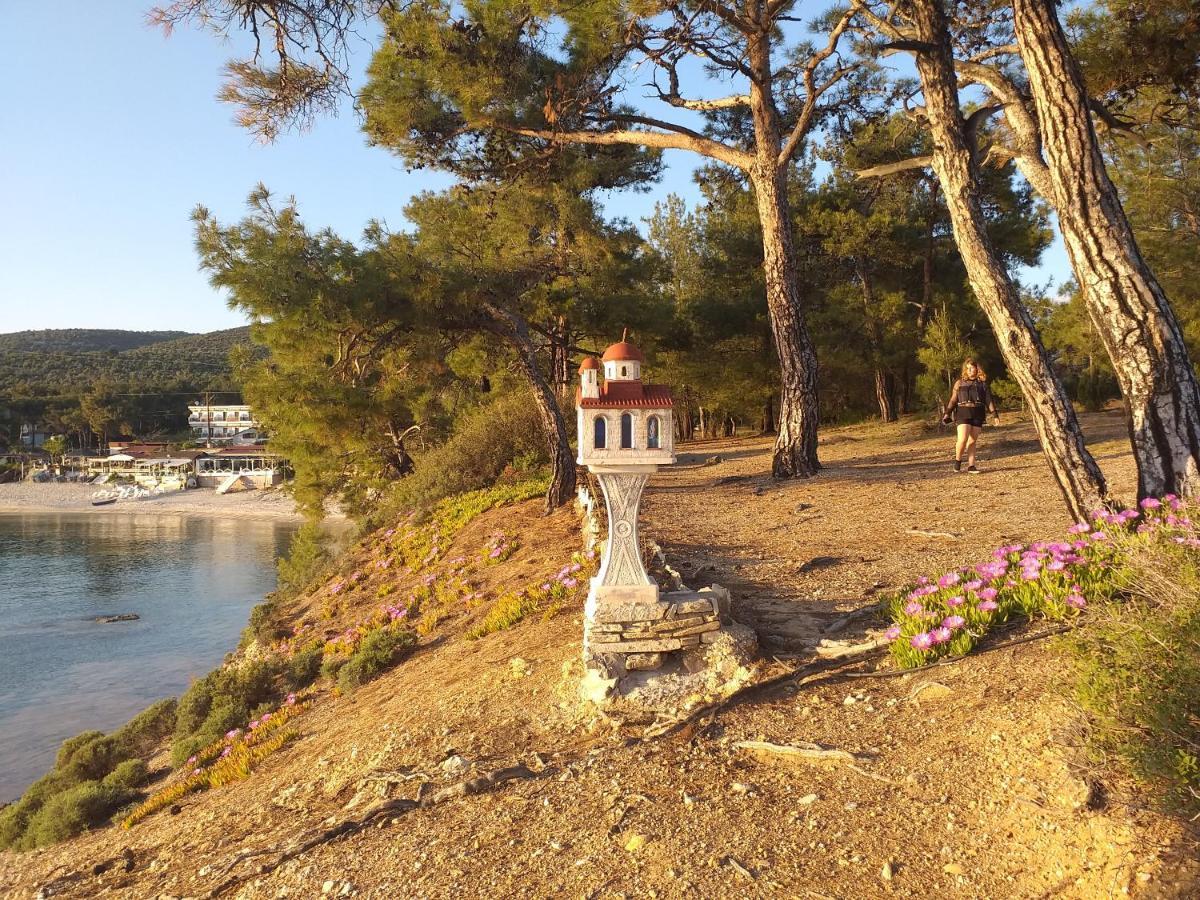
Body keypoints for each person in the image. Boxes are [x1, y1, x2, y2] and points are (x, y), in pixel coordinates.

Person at [942, 359, 999, 473]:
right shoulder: (959, 383)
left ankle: (971, 466)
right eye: (967, 368)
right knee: (962, 439)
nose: (970, 370)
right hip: (963, 411)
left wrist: (995, 415)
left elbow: (988, 400)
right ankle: (958, 460)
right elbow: (953, 400)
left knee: (972, 441)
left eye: (972, 368)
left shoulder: (982, 384)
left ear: (977, 369)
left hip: (978, 412)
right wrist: (947, 413)